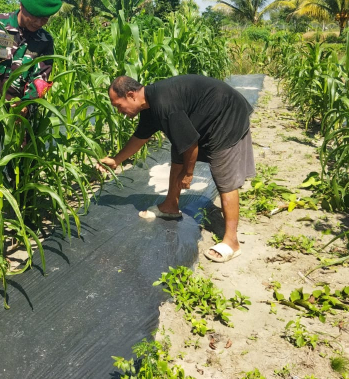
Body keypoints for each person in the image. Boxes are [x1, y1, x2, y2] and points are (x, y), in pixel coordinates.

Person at [98, 75, 255, 263]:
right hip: (207, 113)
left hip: (227, 114)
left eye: (118, 105)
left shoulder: (164, 105)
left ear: (131, 95)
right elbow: (140, 137)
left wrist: (188, 174)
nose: (119, 111)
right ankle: (170, 206)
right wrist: (116, 160)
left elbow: (191, 145)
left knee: (223, 174)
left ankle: (232, 241)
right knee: (177, 148)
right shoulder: (149, 106)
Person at [0, 0, 62, 115]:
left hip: (18, 115)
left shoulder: (45, 40)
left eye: (44, 19)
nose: (38, 23)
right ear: (21, 6)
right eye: (34, 17)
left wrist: (26, 104)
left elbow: (41, 79)